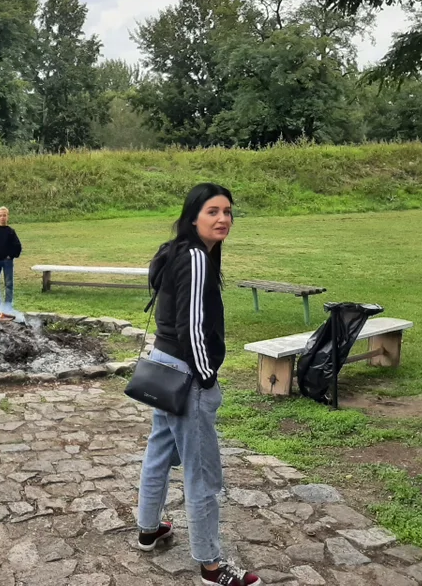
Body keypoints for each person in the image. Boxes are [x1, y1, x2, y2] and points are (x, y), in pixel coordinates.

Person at [135, 183, 261, 586]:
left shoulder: (174, 251)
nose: (223, 219)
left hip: (163, 367)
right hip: (186, 374)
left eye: (228, 211)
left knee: (159, 450)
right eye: (213, 211)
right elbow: (192, 328)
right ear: (193, 217)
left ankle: (149, 529)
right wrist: (206, 378)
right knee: (202, 471)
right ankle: (210, 564)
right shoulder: (194, 257)